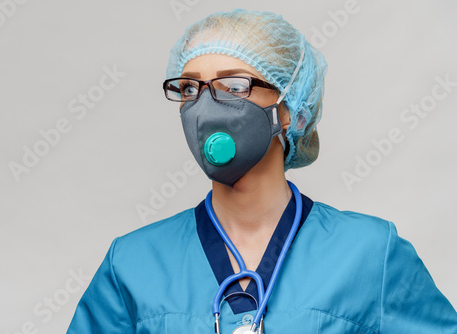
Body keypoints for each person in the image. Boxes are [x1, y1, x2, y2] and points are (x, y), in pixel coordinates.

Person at [66, 8, 457, 333]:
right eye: (189, 88)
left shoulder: (369, 254)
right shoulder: (133, 262)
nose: (204, 107)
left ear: (290, 109)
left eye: (233, 86)